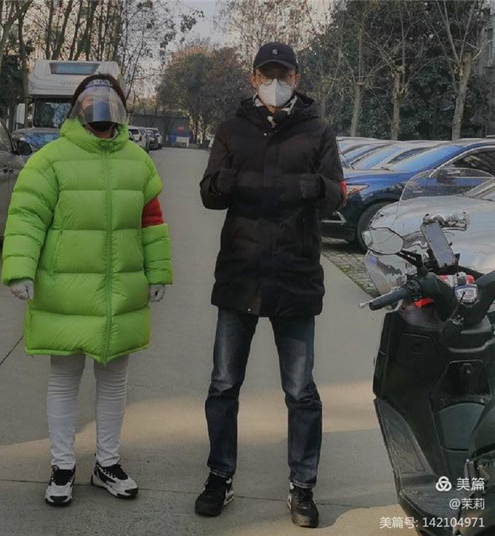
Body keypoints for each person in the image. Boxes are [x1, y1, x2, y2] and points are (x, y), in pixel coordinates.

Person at [1, 73, 172, 507]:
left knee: (114, 383)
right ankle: (62, 467)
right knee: (64, 380)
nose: (101, 113)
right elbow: (27, 216)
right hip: (66, 292)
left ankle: (107, 464)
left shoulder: (139, 162)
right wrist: (20, 269)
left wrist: (158, 273)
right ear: (77, 109)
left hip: (119, 293)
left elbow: (151, 223)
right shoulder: (50, 160)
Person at [195, 42, 345, 528]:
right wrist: (224, 180)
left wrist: (318, 189)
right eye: (267, 75)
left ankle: (303, 486)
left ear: (296, 78)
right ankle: (219, 476)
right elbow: (208, 195)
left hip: (295, 276)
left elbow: (337, 195)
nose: (275, 83)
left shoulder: (318, 130)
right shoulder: (231, 129)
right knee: (223, 385)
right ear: (253, 78)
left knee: (301, 391)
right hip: (240, 274)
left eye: (283, 75)